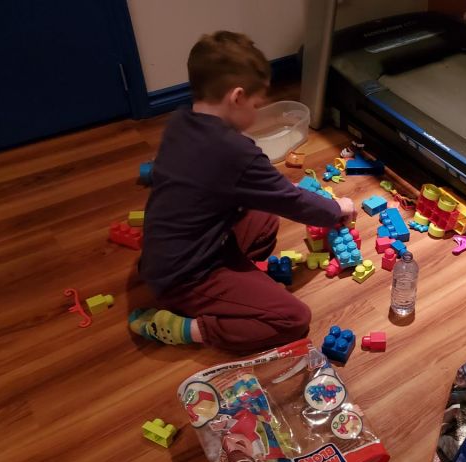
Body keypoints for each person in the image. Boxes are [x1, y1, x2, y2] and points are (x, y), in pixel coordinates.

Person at [129, 31, 355, 353]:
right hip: (185, 277)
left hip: (166, 255)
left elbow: (171, 173)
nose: (257, 111)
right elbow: (291, 201)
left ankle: (238, 289)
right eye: (256, 104)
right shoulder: (235, 152)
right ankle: (184, 327)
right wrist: (337, 208)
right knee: (293, 319)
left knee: (263, 219)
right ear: (236, 97)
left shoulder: (180, 121)